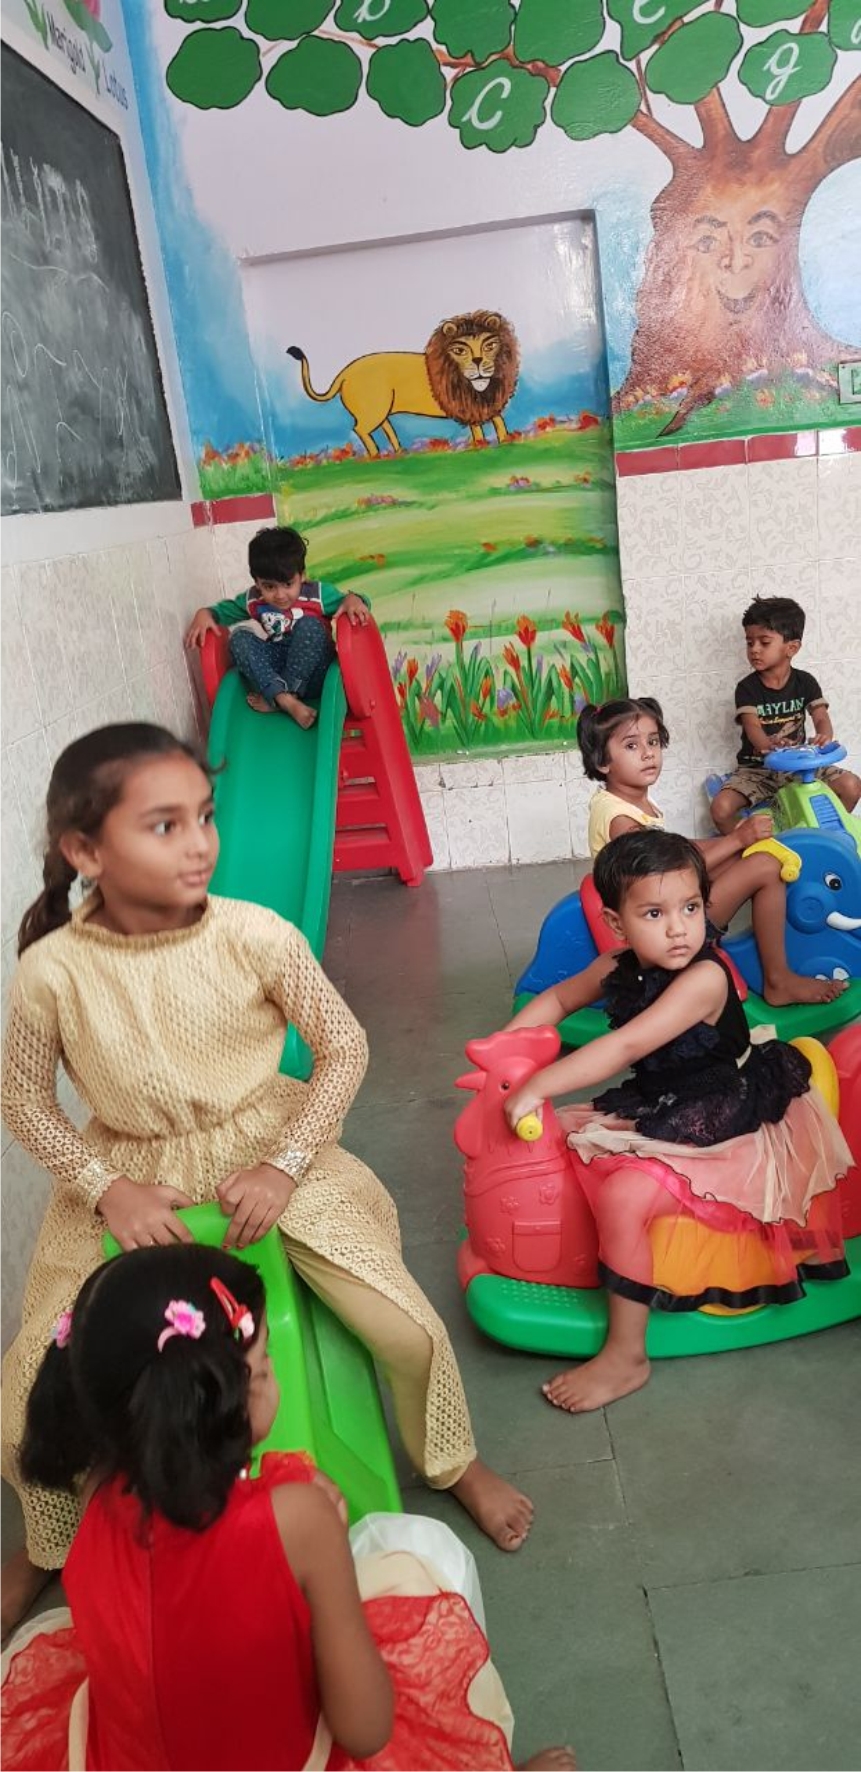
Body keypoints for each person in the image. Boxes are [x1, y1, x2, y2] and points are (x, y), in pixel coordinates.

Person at [0, 723, 534, 1640]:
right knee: (23, 1396)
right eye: (164, 825)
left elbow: (343, 1049)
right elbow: (22, 1099)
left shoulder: (256, 934)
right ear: (85, 851)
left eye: (204, 817)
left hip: (270, 1145)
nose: (200, 843)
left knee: (404, 1331)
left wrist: (285, 1166)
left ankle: (451, 1460)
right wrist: (107, 1187)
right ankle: (47, 1543)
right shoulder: (49, 971)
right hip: (127, 1175)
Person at [0, 1244, 576, 1772]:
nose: (272, 1377)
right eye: (266, 1364)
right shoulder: (296, 1517)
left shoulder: (96, 1490)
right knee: (426, 1550)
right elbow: (366, 1730)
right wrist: (324, 1557)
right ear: (232, 1398)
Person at [505, 830, 851, 1414]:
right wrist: (503, 1050)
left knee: (625, 1197)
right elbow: (559, 1000)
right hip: (665, 1100)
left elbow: (625, 1046)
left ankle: (626, 1356)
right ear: (616, 924)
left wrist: (537, 1082)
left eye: (690, 908)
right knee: (560, 1136)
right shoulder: (617, 964)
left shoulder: (703, 978)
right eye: (654, 914)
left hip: (727, 1116)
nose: (678, 929)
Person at [578, 696, 845, 1007]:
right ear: (602, 761)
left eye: (653, 741)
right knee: (766, 866)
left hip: (662, 906)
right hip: (662, 926)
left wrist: (736, 841)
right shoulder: (620, 819)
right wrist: (736, 839)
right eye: (631, 746)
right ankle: (779, 981)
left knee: (744, 855)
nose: (648, 752)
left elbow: (674, 848)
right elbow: (663, 874)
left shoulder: (626, 802)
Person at [184, 525, 370, 729]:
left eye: (288, 584)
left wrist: (354, 599)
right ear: (257, 583)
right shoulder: (253, 600)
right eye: (269, 586)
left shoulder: (317, 594)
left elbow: (356, 603)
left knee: (309, 626)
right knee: (239, 638)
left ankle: (282, 696)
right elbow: (223, 613)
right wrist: (205, 613)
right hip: (279, 670)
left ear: (302, 575)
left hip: (317, 673)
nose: (280, 595)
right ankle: (284, 699)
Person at [709, 595, 860, 833]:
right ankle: (748, 846)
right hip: (759, 769)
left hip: (799, 766)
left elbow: (821, 717)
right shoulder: (747, 688)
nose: (754, 650)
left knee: (852, 786)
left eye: (764, 642)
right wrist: (767, 745)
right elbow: (752, 727)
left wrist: (824, 736)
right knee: (720, 809)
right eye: (749, 642)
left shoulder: (805, 682)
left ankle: (819, 839)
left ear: (792, 648)